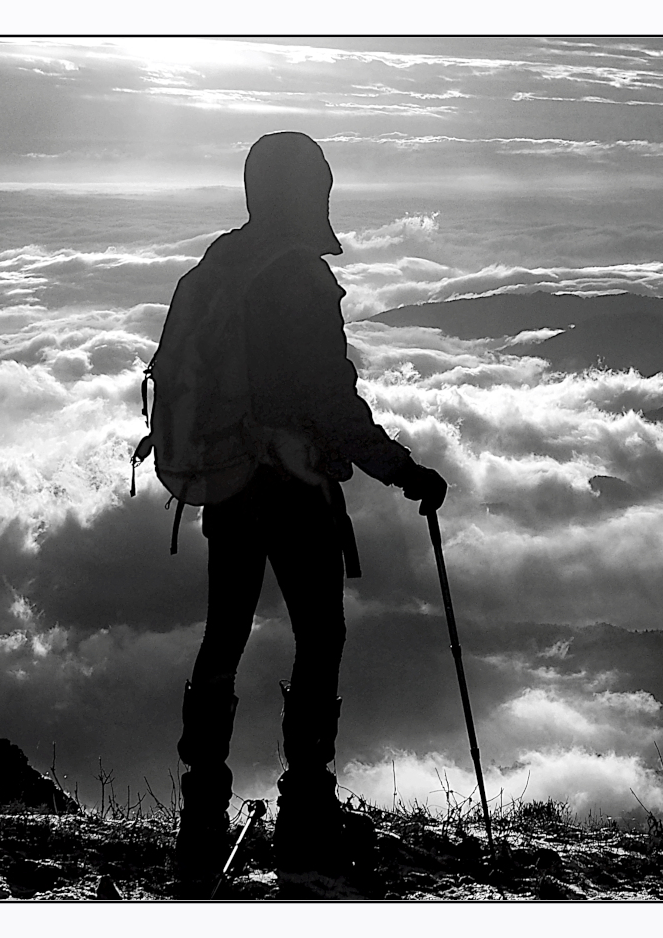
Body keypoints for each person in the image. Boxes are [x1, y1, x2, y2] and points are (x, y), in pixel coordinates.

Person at [171, 131, 447, 898]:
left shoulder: (222, 264)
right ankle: (306, 821)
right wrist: (404, 471)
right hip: (291, 491)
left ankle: (200, 825)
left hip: (224, 481)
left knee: (221, 637)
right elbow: (333, 405)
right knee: (319, 636)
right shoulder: (297, 279)